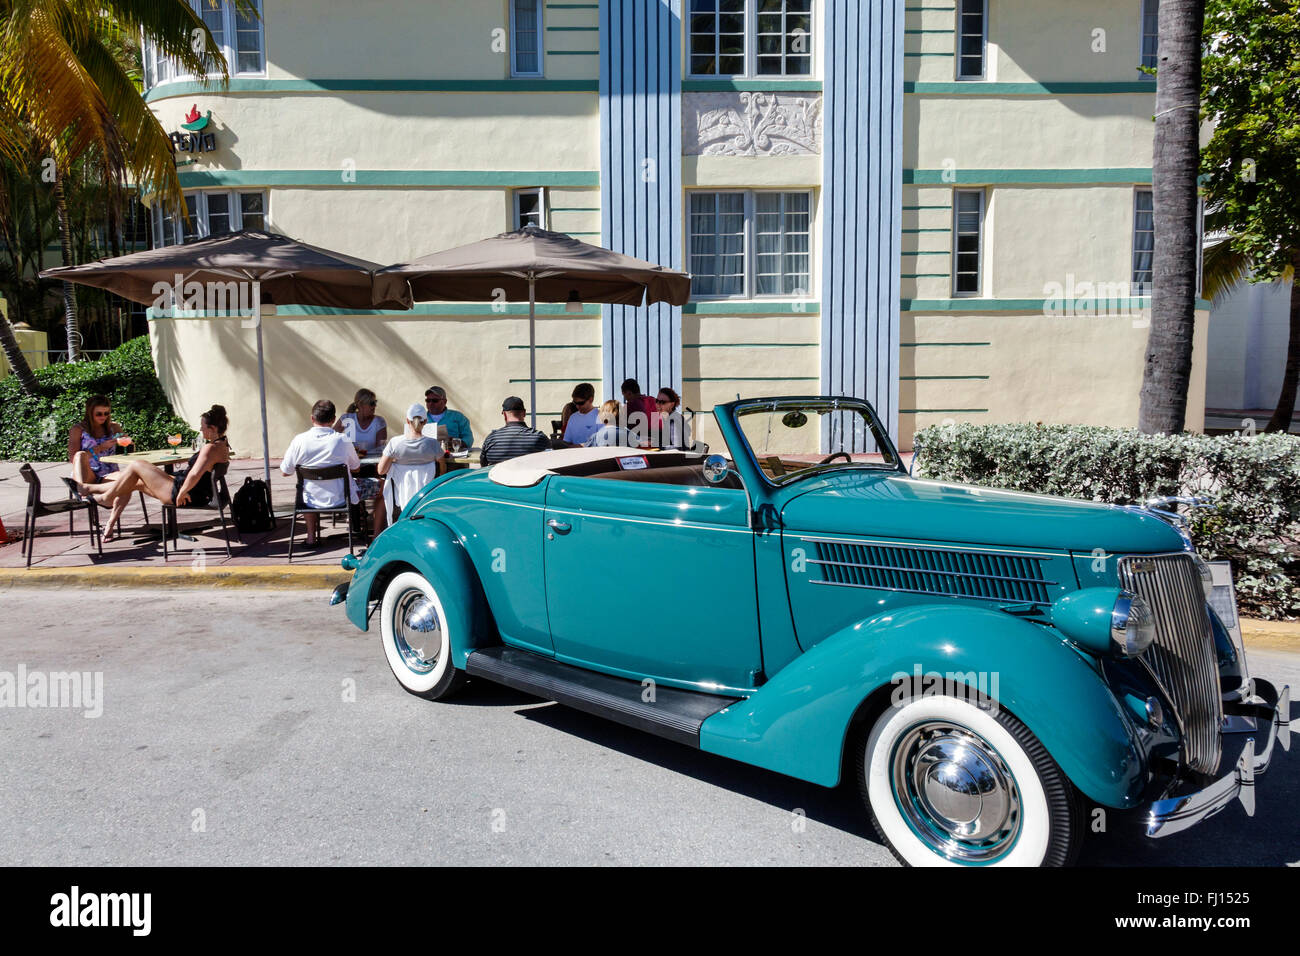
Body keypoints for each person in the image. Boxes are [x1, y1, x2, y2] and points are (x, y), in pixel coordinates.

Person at [75, 405, 231, 542]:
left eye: (203, 427)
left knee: (137, 465)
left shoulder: (210, 449)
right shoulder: (222, 444)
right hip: (194, 489)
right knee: (134, 480)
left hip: (185, 493)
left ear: (213, 429)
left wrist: (182, 492)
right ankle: (89, 489)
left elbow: (194, 474)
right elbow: (197, 475)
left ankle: (104, 497)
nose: (201, 430)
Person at [281, 399, 384, 546]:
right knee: (383, 487)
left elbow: (285, 471)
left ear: (312, 418)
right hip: (342, 497)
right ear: (334, 419)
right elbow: (356, 468)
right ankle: (376, 536)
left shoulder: (299, 440)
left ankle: (311, 538)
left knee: (305, 489)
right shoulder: (342, 440)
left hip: (310, 500)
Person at [378, 403, 447, 518]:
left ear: (407, 420)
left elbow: (381, 470)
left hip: (403, 495)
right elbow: (443, 468)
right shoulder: (432, 444)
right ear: (425, 422)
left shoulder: (395, 443)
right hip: (425, 494)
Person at [68, 394, 125, 485]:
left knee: (129, 480)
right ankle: (88, 492)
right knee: (80, 455)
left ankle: (102, 498)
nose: (103, 416)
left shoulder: (114, 427)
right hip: (87, 473)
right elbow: (73, 459)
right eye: (98, 414)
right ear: (90, 413)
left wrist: (126, 442)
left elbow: (126, 449)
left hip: (111, 473)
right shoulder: (78, 429)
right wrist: (100, 448)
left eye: (106, 413)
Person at [480, 396, 551, 466]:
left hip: (499, 477)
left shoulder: (491, 439)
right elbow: (551, 462)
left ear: (504, 414)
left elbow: (483, 466)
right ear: (524, 413)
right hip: (529, 477)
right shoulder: (540, 438)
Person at [335, 387, 387, 456]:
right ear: (361, 405)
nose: (375, 406)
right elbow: (331, 439)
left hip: (371, 463)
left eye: (375, 402)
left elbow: (380, 449)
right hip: (350, 462)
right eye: (372, 403)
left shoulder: (379, 422)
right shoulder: (347, 418)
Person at [421, 386, 473, 450]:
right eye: (428, 400)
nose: (431, 403)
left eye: (435, 400)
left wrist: (456, 442)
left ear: (445, 402)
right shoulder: (421, 419)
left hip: (452, 456)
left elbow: (468, 438)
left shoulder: (458, 417)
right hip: (427, 457)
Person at [561, 383, 600, 447]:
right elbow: (567, 442)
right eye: (575, 403)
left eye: (581, 403)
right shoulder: (573, 418)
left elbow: (604, 443)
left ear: (591, 399)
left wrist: (581, 446)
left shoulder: (601, 417)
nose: (577, 406)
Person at [620, 378, 657, 444]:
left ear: (629, 393)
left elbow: (621, 426)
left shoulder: (630, 406)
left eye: (624, 395)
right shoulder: (653, 401)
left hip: (640, 443)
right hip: (658, 439)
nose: (625, 399)